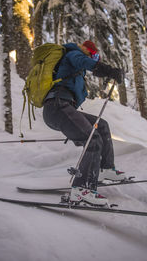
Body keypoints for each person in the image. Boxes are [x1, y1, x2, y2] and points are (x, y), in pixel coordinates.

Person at [43, 41, 126, 206]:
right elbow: (85, 62)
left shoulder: (75, 67)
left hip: (64, 107)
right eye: (94, 55)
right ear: (88, 51)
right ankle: (81, 190)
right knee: (92, 139)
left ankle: (105, 169)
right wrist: (108, 70)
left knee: (101, 125)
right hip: (57, 107)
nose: (94, 58)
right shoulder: (74, 54)